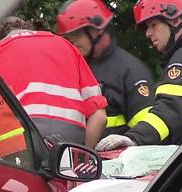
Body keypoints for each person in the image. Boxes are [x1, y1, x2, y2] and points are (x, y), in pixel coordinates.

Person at [96, 0, 182, 151]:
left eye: (153, 25)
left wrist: (134, 138)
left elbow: (170, 108)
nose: (148, 33)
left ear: (175, 19)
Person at [0, 17, 107, 154]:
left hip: (24, 145)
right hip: (70, 138)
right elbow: (100, 117)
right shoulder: (67, 46)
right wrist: (83, 154)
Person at [56, 0, 154, 137]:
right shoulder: (71, 69)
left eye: (77, 33)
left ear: (97, 29)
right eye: (68, 36)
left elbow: (146, 130)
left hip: (117, 157)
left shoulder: (130, 71)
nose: (72, 41)